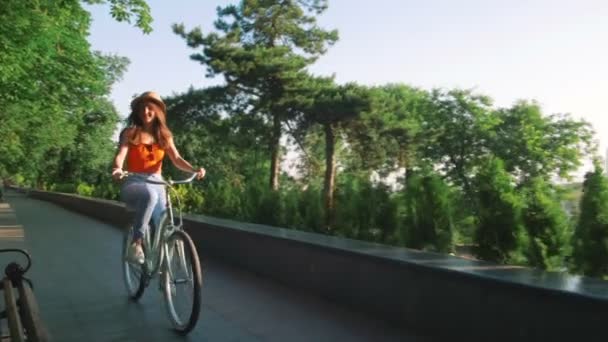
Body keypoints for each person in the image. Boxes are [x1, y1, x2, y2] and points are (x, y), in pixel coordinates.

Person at [112, 91, 205, 264]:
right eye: (142, 108)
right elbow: (121, 155)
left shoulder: (165, 136)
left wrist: (194, 169)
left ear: (158, 111)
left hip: (158, 182)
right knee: (150, 196)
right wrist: (118, 168)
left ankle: (164, 273)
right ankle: (136, 243)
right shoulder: (130, 133)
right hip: (134, 182)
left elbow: (177, 159)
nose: (145, 112)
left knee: (165, 225)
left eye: (150, 108)